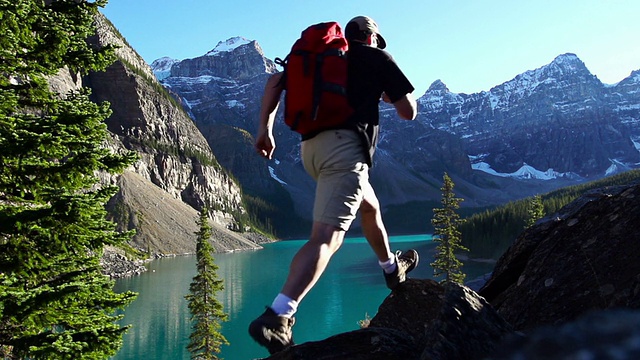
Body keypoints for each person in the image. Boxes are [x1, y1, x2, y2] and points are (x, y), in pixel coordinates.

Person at [249, 15, 419, 355]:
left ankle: (391, 268)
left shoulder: (323, 58)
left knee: (370, 207)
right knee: (328, 238)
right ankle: (278, 315)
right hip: (345, 151)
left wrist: (264, 129)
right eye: (376, 40)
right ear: (371, 37)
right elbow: (408, 112)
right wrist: (387, 94)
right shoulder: (377, 57)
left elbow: (274, 82)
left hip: (311, 150)